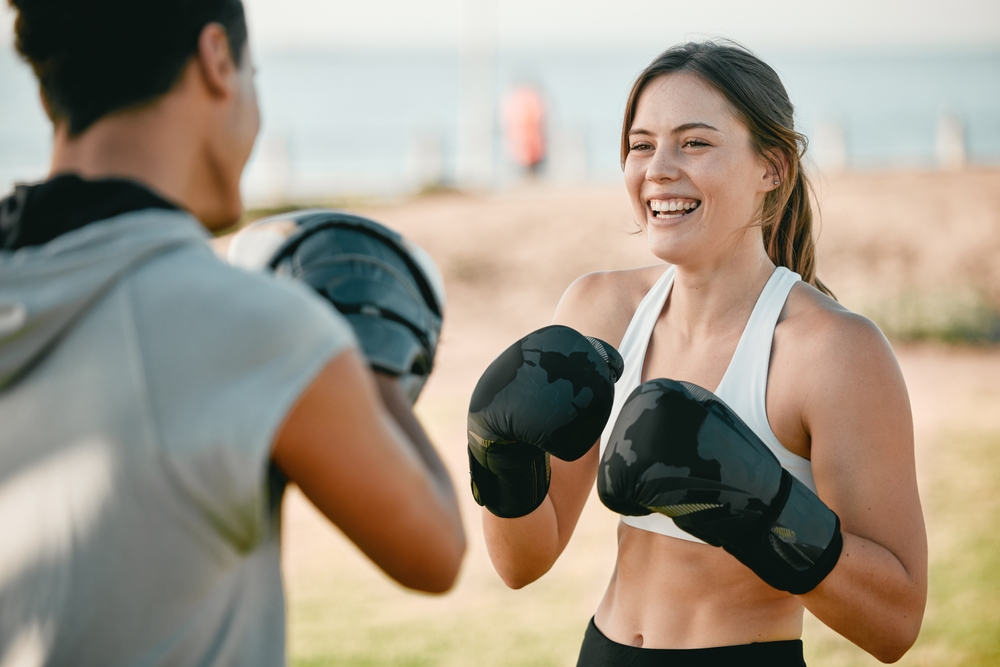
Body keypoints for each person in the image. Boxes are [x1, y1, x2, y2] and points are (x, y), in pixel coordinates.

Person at [0, 1, 465, 665]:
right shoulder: (249, 326)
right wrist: (373, 359)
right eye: (255, 71)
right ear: (217, 60)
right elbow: (435, 548)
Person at [468, 41, 926, 665]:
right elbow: (522, 563)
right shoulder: (598, 313)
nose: (658, 168)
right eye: (641, 144)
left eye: (694, 142)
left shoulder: (833, 352)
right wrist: (498, 457)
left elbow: (895, 622)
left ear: (772, 168)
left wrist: (761, 510)